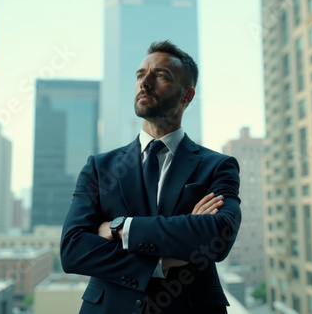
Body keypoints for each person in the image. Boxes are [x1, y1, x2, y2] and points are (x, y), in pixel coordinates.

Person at [61, 40, 242, 314]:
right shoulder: (100, 167)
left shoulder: (217, 166)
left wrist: (119, 229)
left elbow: (218, 235)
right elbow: (73, 249)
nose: (144, 82)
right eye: (139, 75)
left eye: (160, 75)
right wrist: (165, 256)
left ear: (187, 96)